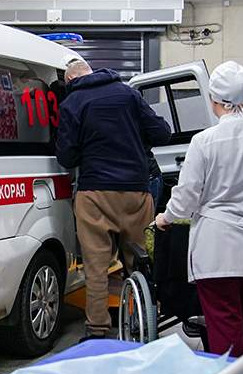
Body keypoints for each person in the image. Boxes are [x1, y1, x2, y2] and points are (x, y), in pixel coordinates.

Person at [154, 61, 243, 357]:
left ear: (213, 99)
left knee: (224, 321)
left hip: (217, 247)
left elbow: (186, 197)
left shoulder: (204, 141)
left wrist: (165, 218)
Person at [56, 59, 172, 340]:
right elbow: (162, 132)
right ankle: (145, 320)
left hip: (95, 193)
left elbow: (66, 156)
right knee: (141, 261)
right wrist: (133, 142)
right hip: (136, 192)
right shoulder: (128, 94)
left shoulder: (72, 103)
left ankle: (97, 329)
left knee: (96, 266)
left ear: (70, 81)